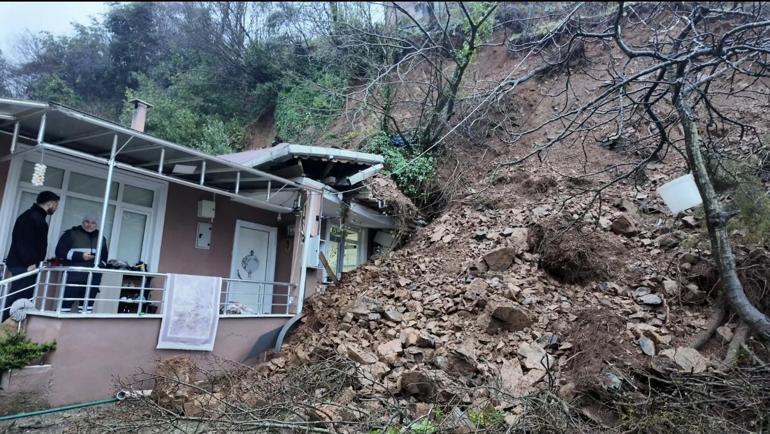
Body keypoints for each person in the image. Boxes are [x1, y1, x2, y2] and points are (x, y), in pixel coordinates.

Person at [2, 191, 60, 321]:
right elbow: (23, 242)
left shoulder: (34, 216)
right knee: (19, 296)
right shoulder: (32, 217)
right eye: (56, 205)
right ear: (50, 204)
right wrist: (30, 263)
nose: (56, 208)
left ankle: (13, 326)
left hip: (26, 264)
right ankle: (4, 321)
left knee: (23, 297)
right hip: (24, 265)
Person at [55, 215, 108, 312]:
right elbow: (59, 252)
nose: (90, 225)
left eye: (93, 223)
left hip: (92, 278)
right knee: (64, 308)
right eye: (87, 222)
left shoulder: (101, 238)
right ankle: (58, 327)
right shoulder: (70, 234)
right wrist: (80, 256)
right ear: (82, 222)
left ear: (97, 225)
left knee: (86, 310)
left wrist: (100, 266)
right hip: (73, 277)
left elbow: (104, 257)